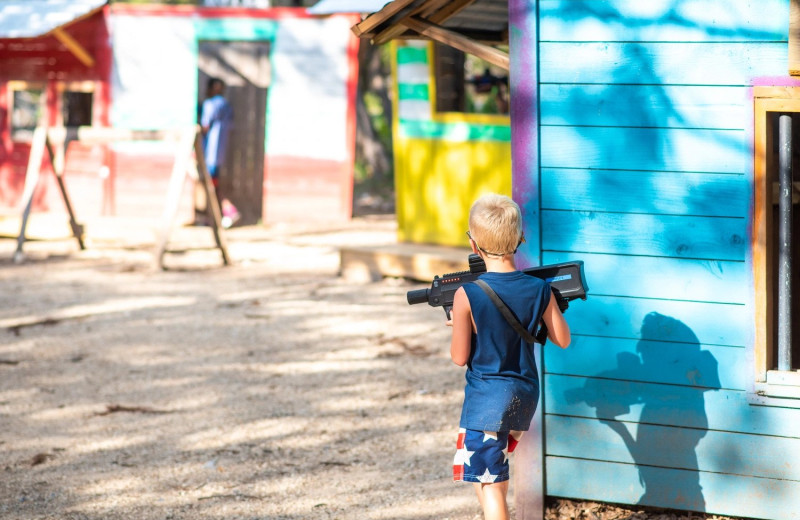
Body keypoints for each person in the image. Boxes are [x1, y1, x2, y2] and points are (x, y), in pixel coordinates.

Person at [447, 193, 571, 520]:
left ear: (474, 246)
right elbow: (563, 339)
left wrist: (460, 322)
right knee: (491, 476)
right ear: (520, 240)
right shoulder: (540, 289)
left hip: (487, 402)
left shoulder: (467, 294)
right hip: (524, 397)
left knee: (489, 487)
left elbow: (459, 356)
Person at [200, 77, 239, 228]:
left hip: (210, 153)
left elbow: (205, 126)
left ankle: (228, 211)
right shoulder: (226, 105)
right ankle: (214, 216)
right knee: (214, 185)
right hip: (221, 153)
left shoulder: (210, 104)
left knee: (212, 186)